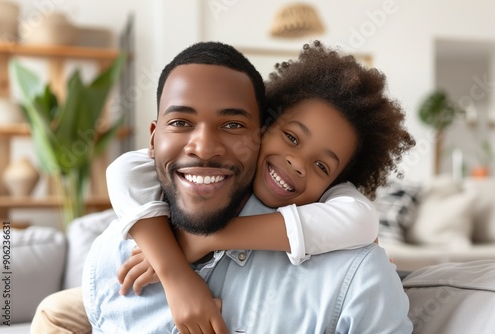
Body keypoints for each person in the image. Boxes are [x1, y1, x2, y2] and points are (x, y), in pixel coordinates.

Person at [31, 41, 414, 333]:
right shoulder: (112, 254)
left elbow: (361, 221)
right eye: (292, 138)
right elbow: (125, 170)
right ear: (264, 128)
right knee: (52, 311)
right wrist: (173, 269)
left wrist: (203, 240)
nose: (297, 163)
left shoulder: (350, 246)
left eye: (321, 165)